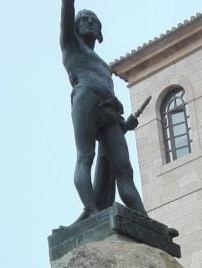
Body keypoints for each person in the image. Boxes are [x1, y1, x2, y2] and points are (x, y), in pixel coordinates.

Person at [60, 0, 148, 221]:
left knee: (124, 170)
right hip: (85, 98)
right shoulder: (71, 45)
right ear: (75, 27)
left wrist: (125, 125)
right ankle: (91, 210)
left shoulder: (104, 66)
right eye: (84, 19)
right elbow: (67, 12)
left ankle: (145, 219)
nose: (89, 22)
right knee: (85, 157)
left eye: (94, 20)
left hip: (110, 112)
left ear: (100, 31)